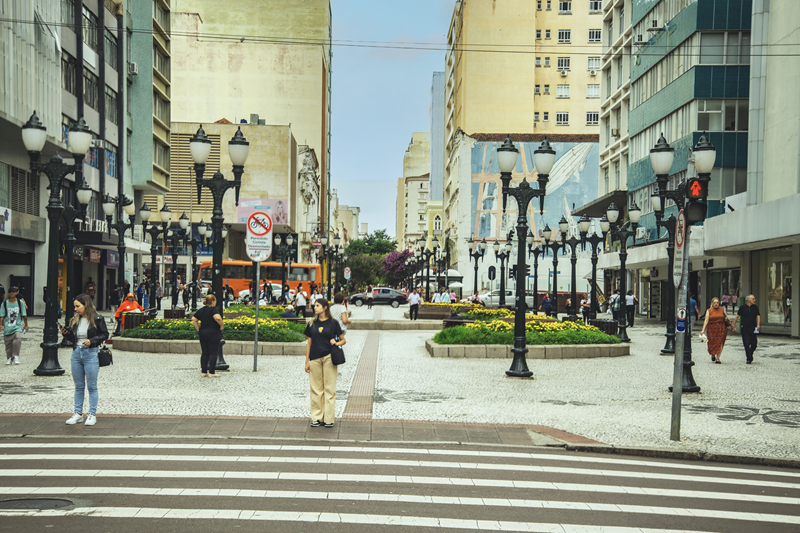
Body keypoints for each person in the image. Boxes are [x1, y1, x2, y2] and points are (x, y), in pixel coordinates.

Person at [59, 294, 109, 426]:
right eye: (74, 306)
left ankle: (92, 414)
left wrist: (92, 341)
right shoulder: (75, 320)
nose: (75, 309)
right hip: (76, 353)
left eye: (77, 306)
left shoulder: (97, 319)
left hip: (91, 353)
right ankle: (78, 413)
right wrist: (66, 333)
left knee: (92, 386)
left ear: (85, 305)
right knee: (79, 386)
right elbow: (73, 338)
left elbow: (105, 334)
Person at [304, 298, 346, 428]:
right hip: (315, 358)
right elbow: (309, 343)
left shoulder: (333, 323)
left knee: (329, 388)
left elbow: (343, 340)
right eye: (314, 306)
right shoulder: (312, 324)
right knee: (316, 389)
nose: (314, 308)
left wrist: (336, 342)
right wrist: (306, 361)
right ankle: (316, 417)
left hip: (329, 357)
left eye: (317, 306)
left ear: (325, 307)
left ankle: (328, 418)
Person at [191, 294, 224, 378]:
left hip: (203, 332)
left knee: (204, 353)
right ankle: (212, 372)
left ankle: (204, 371)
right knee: (213, 352)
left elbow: (194, 319)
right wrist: (221, 326)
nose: (215, 302)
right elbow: (218, 318)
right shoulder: (213, 309)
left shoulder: (201, 310)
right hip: (213, 332)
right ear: (212, 301)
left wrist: (198, 328)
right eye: (215, 300)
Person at [1, 286, 29, 365]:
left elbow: (24, 315)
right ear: (8, 293)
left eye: (14, 291)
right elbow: (2, 315)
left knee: (17, 339)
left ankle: (16, 356)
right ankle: (9, 357)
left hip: (18, 326)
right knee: (8, 343)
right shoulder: (5, 303)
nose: (12, 293)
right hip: (8, 326)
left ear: (17, 292)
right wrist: (0, 325)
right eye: (10, 292)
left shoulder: (20, 303)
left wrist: (26, 325)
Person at [700, 297, 731, 364]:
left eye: (717, 302)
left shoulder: (722, 309)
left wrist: (729, 322)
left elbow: (726, 316)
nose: (716, 304)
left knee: (720, 342)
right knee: (712, 342)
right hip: (712, 328)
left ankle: (718, 358)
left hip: (721, 328)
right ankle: (713, 354)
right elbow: (706, 320)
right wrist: (703, 330)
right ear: (712, 303)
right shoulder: (709, 310)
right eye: (714, 303)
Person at [732, 295, 760, 364]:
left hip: (753, 327)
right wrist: (733, 325)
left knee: (754, 344)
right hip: (745, 327)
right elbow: (737, 316)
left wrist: (758, 325)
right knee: (746, 343)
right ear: (749, 300)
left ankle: (750, 353)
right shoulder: (742, 307)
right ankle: (749, 358)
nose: (754, 300)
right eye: (753, 299)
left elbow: (758, 316)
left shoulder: (755, 307)